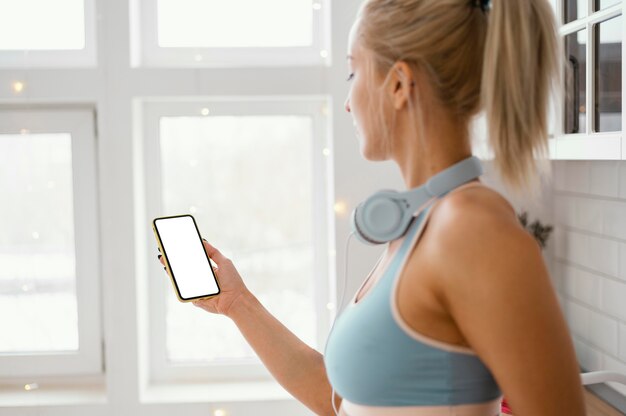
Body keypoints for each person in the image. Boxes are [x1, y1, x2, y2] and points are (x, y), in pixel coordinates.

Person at [161, 0, 586, 414]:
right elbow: (339, 402)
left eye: (353, 71)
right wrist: (238, 303)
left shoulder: (471, 231)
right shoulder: (419, 224)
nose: (348, 101)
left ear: (399, 84)